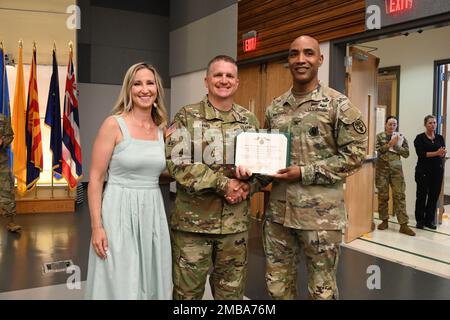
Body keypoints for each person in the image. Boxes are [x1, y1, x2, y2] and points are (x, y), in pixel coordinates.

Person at [262, 35, 367, 300]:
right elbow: (265, 158)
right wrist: (244, 179)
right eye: (294, 54)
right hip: (279, 216)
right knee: (277, 288)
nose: (301, 60)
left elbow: (354, 155)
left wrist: (305, 172)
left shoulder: (337, 105)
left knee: (322, 292)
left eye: (308, 53)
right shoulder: (275, 108)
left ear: (320, 59)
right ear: (288, 61)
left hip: (320, 220)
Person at [165, 55, 269, 300]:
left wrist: (248, 186)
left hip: (235, 228)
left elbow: (263, 168)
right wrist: (224, 184)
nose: (224, 80)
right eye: (218, 75)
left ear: (237, 82)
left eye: (229, 76)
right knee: (187, 296)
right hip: (193, 228)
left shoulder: (249, 121)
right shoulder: (186, 117)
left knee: (231, 297)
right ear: (207, 81)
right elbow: (177, 164)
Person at [85, 62, 172, 299]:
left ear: (157, 89)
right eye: (137, 83)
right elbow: (95, 178)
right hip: (118, 212)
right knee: (120, 278)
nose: (144, 89)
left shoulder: (162, 130)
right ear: (129, 89)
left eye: (150, 83)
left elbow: (157, 173)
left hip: (152, 212)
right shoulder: (113, 124)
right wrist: (97, 226)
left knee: (152, 275)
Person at [375, 116, 415, 236]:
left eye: (394, 124)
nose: (392, 126)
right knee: (383, 196)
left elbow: (406, 153)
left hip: (396, 171)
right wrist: (389, 145)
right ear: (385, 125)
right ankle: (384, 221)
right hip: (382, 171)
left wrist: (396, 145)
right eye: (390, 124)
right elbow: (377, 151)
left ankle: (403, 225)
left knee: (399, 196)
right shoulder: (379, 137)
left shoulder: (400, 137)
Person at [413, 115, 445, 230]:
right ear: (425, 124)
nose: (433, 125)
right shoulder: (419, 138)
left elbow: (442, 152)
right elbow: (421, 154)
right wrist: (436, 153)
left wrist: (442, 153)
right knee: (421, 196)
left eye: (434, 123)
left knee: (433, 197)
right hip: (423, 172)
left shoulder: (440, 138)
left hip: (437, 171)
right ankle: (420, 221)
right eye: (430, 123)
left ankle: (429, 221)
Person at [0, 113, 21, 233]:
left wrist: (3, 141)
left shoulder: (2, 118)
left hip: (1, 162)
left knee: (7, 191)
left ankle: (11, 221)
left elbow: (10, 135)